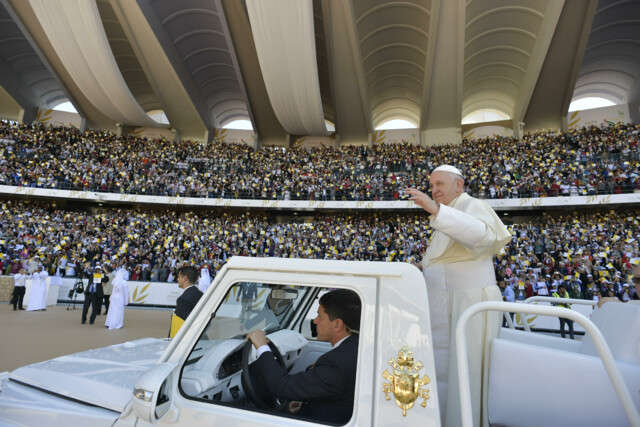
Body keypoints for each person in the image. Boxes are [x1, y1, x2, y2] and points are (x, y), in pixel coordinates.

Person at [406, 164, 511, 427]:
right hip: (446, 305)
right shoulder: (449, 213)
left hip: (469, 304)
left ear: (459, 185)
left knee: (467, 371)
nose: (434, 190)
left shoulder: (472, 205)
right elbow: (444, 259)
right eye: (432, 185)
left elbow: (481, 236)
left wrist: (434, 209)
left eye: (439, 184)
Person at [247, 289, 360, 425]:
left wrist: (261, 346)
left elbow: (281, 387)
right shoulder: (354, 346)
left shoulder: (336, 362)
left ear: (337, 324)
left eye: (320, 317)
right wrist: (305, 403)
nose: (315, 321)